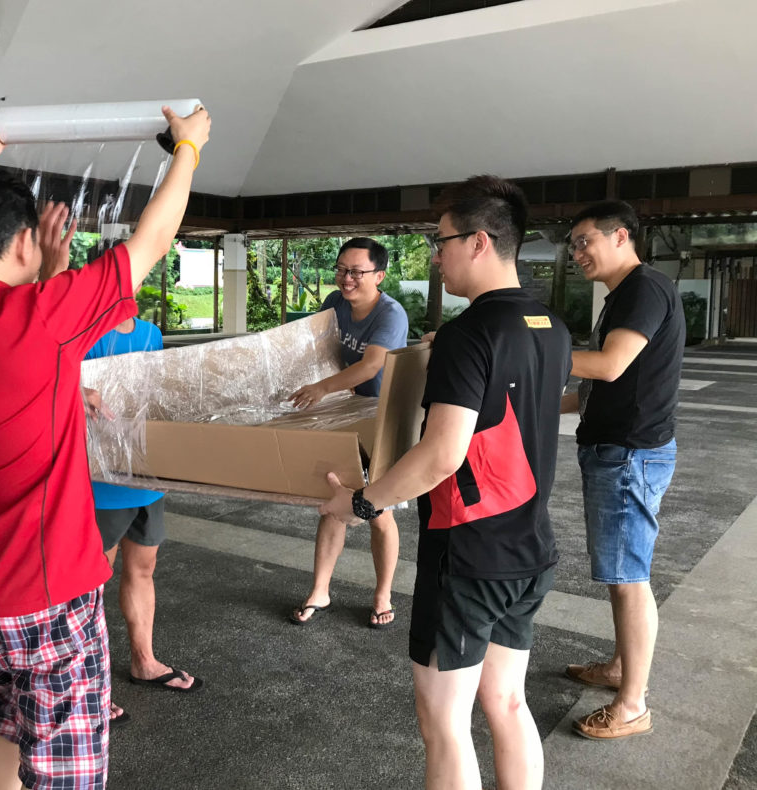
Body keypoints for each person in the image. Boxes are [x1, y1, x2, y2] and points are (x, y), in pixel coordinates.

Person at [0, 97, 210, 790]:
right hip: (47, 596)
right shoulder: (43, 316)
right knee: (64, 767)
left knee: (12, 726)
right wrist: (187, 147)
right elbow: (150, 244)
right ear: (19, 244)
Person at [319, 176, 571, 790]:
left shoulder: (470, 334)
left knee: (444, 723)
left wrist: (358, 502)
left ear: (479, 241)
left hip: (467, 557)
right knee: (507, 704)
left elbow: (441, 455)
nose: (436, 255)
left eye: (442, 241)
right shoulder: (549, 325)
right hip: (529, 551)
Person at [562, 200, 684, 740]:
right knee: (618, 571)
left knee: (629, 577)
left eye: (584, 240)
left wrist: (524, 352)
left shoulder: (644, 288)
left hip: (630, 455)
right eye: (573, 245)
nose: (577, 252)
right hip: (617, 449)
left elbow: (610, 365)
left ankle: (632, 704)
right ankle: (619, 668)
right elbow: (605, 384)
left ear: (621, 236)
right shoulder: (622, 296)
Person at [84, 316, 202, 723]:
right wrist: (80, 393)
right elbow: (46, 378)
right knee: (90, 581)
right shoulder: (81, 329)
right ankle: (88, 686)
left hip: (146, 473)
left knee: (143, 568)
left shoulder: (150, 333)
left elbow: (156, 392)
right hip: (101, 478)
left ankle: (143, 661)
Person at [288, 237, 410, 628]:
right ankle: (319, 590)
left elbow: (372, 365)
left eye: (357, 271)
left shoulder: (390, 315)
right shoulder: (333, 305)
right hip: (344, 415)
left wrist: (323, 388)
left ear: (379, 275)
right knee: (334, 500)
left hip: (382, 420)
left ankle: (382, 594)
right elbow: (317, 351)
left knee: (377, 510)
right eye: (341, 270)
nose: (346, 278)